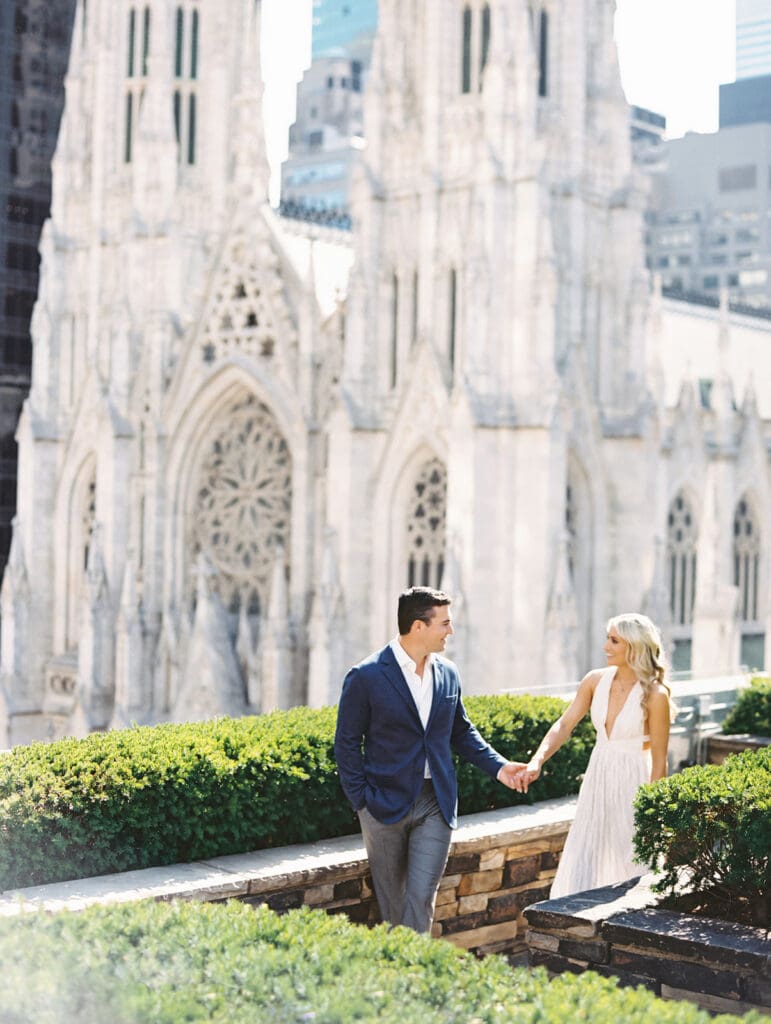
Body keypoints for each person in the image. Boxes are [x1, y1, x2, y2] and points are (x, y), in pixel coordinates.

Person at [334, 586, 527, 933]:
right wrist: (361, 801)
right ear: (418, 626)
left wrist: (499, 767)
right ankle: (396, 974)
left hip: (435, 801)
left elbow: (461, 732)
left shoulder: (448, 673)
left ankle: (414, 971)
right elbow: (346, 744)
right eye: (445, 623)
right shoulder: (366, 676)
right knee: (392, 902)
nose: (450, 631)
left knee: (422, 895)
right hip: (383, 803)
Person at [516, 612, 673, 898]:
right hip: (598, 775)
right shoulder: (594, 680)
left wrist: (653, 814)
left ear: (635, 647)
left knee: (633, 858)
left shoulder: (655, 694)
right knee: (586, 850)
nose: (606, 647)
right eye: (607, 638)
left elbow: (660, 760)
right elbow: (564, 724)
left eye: (615, 641)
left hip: (635, 780)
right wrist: (537, 760)